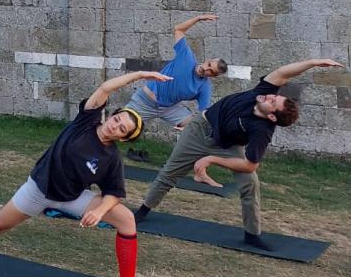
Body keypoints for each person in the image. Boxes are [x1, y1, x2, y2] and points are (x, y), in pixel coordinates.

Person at [0, 70, 172, 277]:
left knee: (127, 220)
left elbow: (115, 193)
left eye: (122, 130)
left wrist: (99, 212)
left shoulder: (111, 158)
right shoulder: (86, 121)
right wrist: (140, 75)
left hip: (72, 198)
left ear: (124, 138)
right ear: (111, 116)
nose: (115, 127)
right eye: (117, 120)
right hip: (39, 189)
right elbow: (105, 88)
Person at [134, 57, 342, 249]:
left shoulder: (262, 131)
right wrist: (314, 62)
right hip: (200, 130)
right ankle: (142, 211)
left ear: (271, 117)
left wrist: (212, 159)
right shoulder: (260, 92)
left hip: (227, 147)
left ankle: (252, 234)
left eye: (272, 101)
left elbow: (251, 165)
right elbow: (283, 73)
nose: (270, 96)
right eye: (274, 96)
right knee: (169, 173)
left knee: (250, 182)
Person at [126, 13, 226, 133]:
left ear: (213, 76)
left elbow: (204, 112)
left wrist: (190, 128)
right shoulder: (186, 57)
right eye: (209, 65)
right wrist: (198, 18)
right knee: (120, 125)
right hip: (145, 102)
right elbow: (178, 29)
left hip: (169, 109)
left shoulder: (204, 87)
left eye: (211, 71)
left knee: (197, 128)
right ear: (207, 61)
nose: (206, 69)